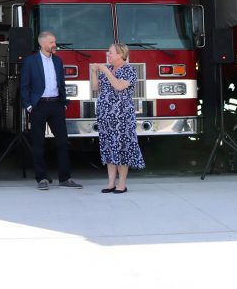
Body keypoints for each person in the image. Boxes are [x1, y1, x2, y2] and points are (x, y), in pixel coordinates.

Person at [20, 31, 82, 190]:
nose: (54, 45)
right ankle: (41, 179)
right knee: (38, 143)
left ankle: (65, 178)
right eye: (51, 42)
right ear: (42, 44)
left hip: (56, 105)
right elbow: (24, 86)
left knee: (62, 142)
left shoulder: (58, 61)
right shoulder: (30, 61)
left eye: (54, 41)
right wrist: (28, 105)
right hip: (38, 106)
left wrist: (64, 102)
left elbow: (61, 83)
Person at [90, 42, 144, 193]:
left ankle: (122, 184)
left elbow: (119, 86)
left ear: (120, 54)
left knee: (121, 149)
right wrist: (94, 72)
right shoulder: (108, 70)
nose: (108, 55)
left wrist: (106, 71)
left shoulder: (129, 70)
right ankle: (111, 183)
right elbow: (95, 88)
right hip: (105, 116)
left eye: (111, 52)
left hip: (122, 117)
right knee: (109, 148)